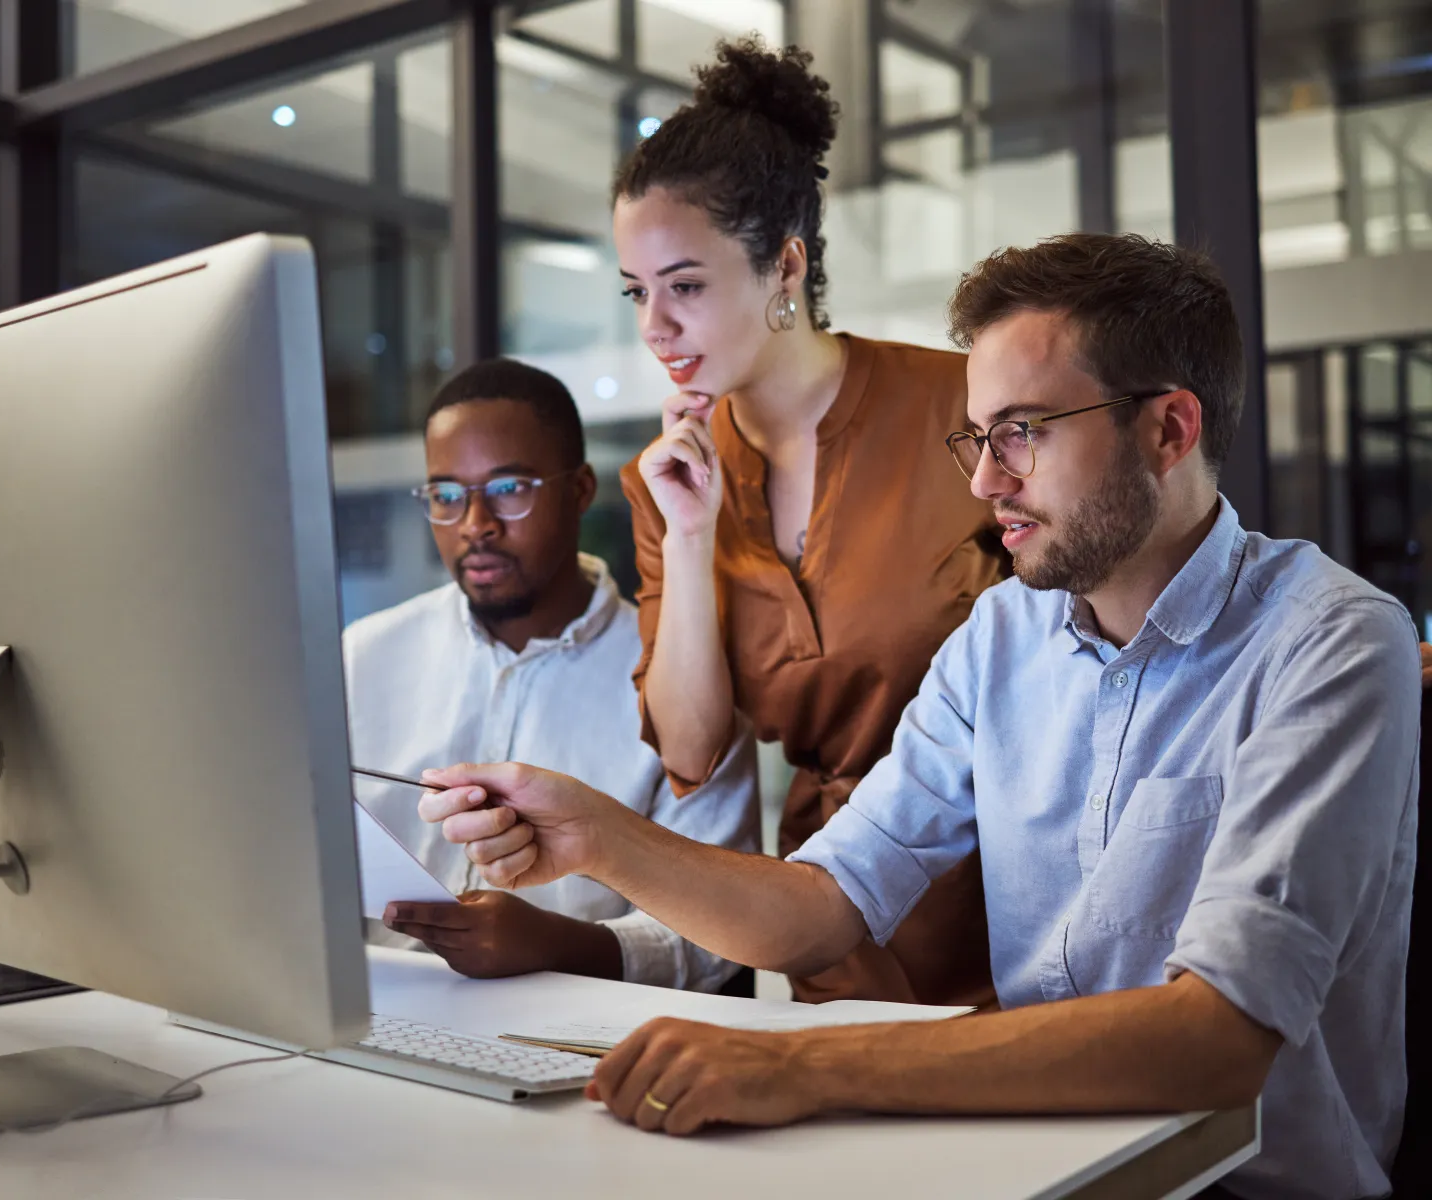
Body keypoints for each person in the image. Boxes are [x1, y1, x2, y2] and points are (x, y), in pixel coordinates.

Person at [420, 235, 1417, 1200]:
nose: (984, 482)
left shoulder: (1328, 644)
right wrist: (595, 834)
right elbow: (820, 908)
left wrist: (814, 1068)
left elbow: (1215, 1039)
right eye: (977, 437)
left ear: (1168, 430)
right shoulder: (1001, 638)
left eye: (1023, 430)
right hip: (1044, 1164)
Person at [614, 36, 1006, 1006]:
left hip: (1009, 902)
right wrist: (695, 531)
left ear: (784, 264)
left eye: (685, 285)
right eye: (636, 292)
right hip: (826, 925)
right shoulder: (668, 482)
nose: (653, 329)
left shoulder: (963, 405)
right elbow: (693, 752)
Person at [344, 357, 759, 992]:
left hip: (580, 1040)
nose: (474, 524)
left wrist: (560, 945)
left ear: (581, 490)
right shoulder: (364, 657)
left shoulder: (680, 681)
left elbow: (723, 937)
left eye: (509, 488)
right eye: (446, 496)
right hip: (375, 1014)